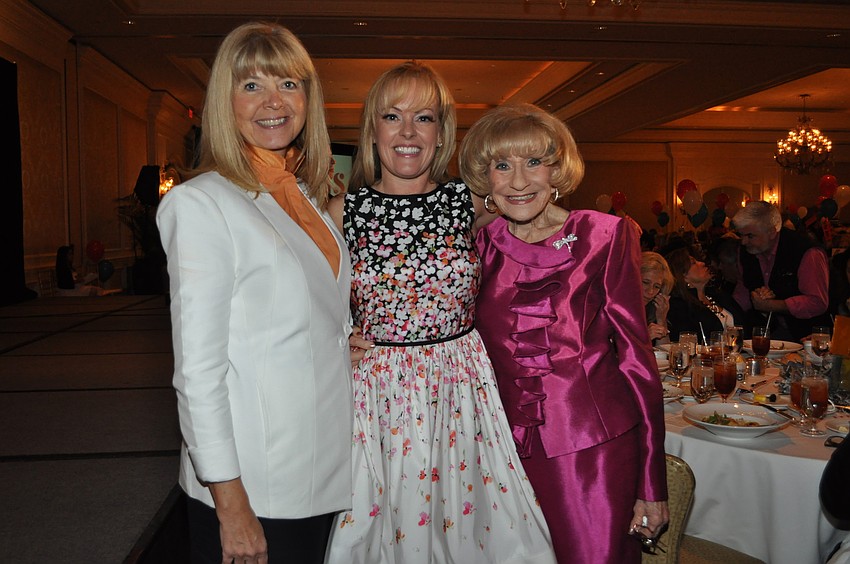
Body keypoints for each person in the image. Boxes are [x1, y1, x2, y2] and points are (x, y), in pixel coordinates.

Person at [325, 62, 555, 564]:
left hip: (461, 389)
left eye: (424, 118)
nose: (408, 132)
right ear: (373, 130)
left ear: (442, 133)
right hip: (379, 392)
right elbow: (303, 300)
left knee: (479, 527)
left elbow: (544, 220)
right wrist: (336, 337)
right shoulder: (341, 213)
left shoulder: (471, 202)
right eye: (392, 116)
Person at [156, 22, 354, 564]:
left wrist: (350, 338)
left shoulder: (302, 195)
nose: (274, 101)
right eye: (251, 86)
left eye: (289, 84)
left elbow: (314, 311)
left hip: (320, 464)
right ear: (225, 102)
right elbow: (197, 372)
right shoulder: (201, 205)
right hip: (257, 482)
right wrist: (231, 501)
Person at [458, 103, 669, 563]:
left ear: (558, 169)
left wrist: (652, 482)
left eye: (534, 162)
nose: (518, 181)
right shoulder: (476, 244)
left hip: (593, 451)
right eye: (502, 165)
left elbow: (636, 359)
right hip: (497, 451)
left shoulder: (606, 234)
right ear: (484, 176)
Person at [733, 200, 831, 342]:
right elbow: (743, 288)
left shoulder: (806, 251)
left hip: (807, 337)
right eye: (741, 235)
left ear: (772, 232)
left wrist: (774, 305)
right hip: (767, 333)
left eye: (750, 236)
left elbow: (817, 302)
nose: (743, 242)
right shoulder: (745, 252)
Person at [664, 247, 727, 341]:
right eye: (693, 263)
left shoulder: (718, 295)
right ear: (682, 275)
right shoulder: (680, 307)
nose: (702, 263)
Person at [641, 251, 673, 344]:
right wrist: (645, 338)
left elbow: (665, 352)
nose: (650, 292)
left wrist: (661, 319)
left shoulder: (651, 308)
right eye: (645, 282)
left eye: (656, 287)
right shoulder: (613, 308)